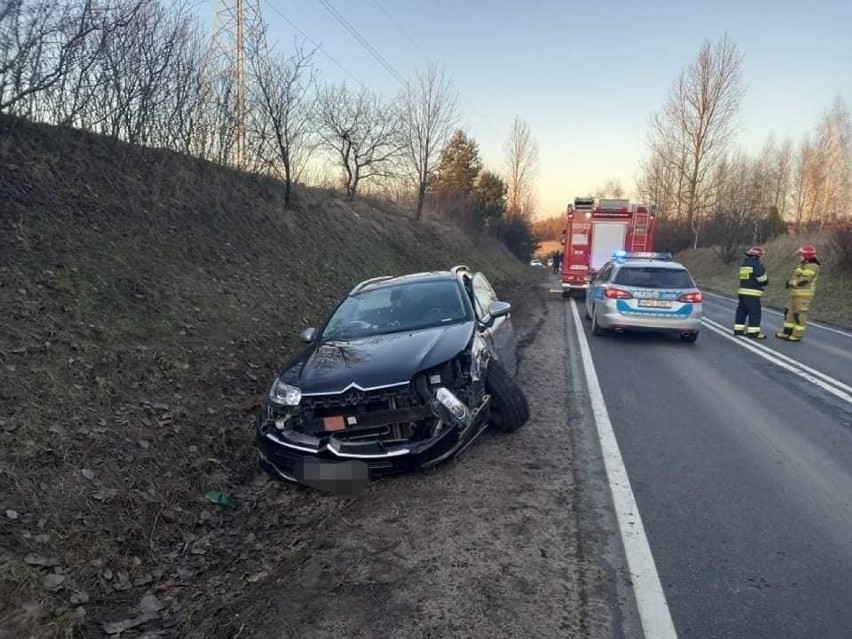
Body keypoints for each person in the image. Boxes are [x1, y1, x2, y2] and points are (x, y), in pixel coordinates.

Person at [776, 244, 820, 342]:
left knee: (799, 315)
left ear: (807, 256)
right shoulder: (802, 265)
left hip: (804, 296)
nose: (800, 257)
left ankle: (797, 335)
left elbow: (805, 280)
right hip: (795, 294)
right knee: (788, 313)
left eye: (801, 255)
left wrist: (790, 283)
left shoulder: (813, 266)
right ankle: (786, 332)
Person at [733, 246, 769, 338]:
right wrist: (766, 281)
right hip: (752, 293)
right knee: (755, 313)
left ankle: (738, 330)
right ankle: (753, 332)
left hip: (742, 292)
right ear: (758, 256)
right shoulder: (756, 265)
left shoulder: (744, 264)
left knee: (741, 311)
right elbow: (762, 279)